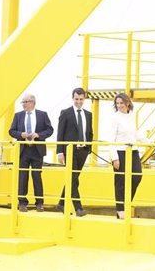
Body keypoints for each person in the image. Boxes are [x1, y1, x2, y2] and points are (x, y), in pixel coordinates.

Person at [9, 93, 54, 212]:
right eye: (22, 102)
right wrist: (20, 135)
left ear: (32, 102)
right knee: (23, 177)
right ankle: (22, 203)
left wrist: (39, 135)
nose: (23, 104)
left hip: (37, 150)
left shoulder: (42, 115)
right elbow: (11, 131)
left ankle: (39, 203)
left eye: (25, 102)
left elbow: (50, 130)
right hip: (23, 150)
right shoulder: (18, 116)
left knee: (37, 176)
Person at [108, 93, 148, 219]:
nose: (119, 106)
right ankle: (120, 210)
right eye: (117, 103)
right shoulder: (115, 118)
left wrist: (148, 142)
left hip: (133, 150)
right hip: (120, 151)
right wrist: (114, 157)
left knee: (137, 176)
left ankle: (126, 203)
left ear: (127, 103)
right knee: (120, 181)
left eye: (121, 103)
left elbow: (134, 133)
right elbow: (111, 139)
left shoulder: (131, 116)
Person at [55, 87, 93, 217]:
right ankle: (78, 208)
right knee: (74, 179)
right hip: (69, 150)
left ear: (84, 99)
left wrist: (89, 148)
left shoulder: (88, 114)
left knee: (73, 178)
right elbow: (60, 133)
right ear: (73, 98)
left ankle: (61, 203)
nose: (78, 101)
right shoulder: (65, 113)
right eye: (76, 99)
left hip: (82, 151)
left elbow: (90, 132)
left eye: (81, 99)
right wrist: (59, 152)